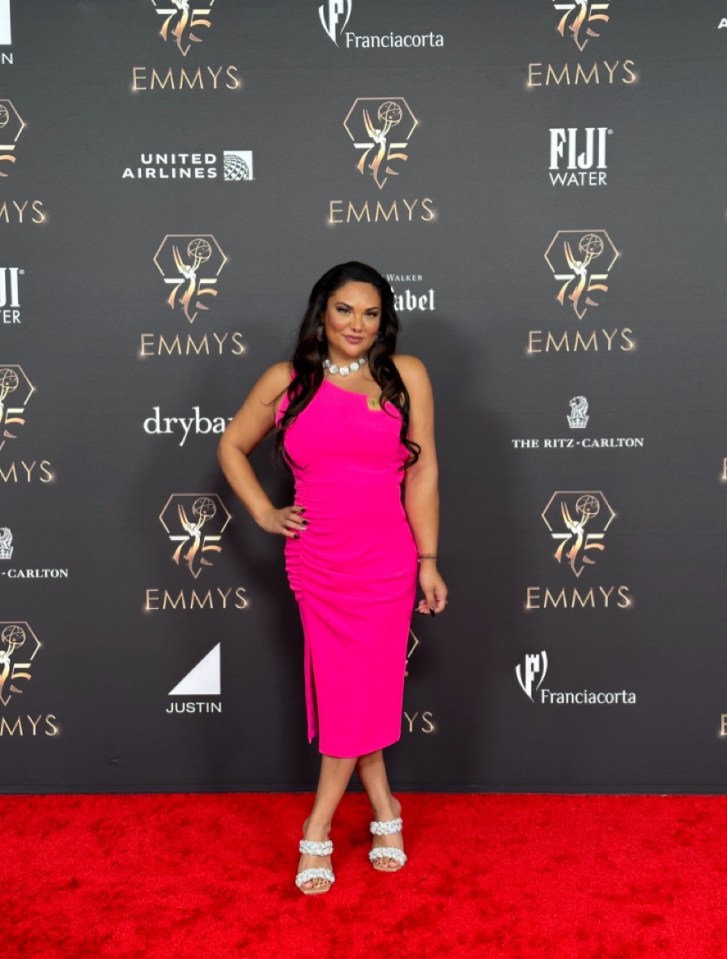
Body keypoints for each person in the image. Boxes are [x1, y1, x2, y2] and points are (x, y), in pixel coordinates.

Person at [217, 261, 447, 894]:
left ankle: (318, 827)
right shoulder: (286, 381)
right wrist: (265, 511)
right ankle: (387, 814)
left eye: (371, 313)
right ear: (322, 311)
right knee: (353, 693)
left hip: (386, 562)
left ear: (385, 320)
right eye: (345, 309)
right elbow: (231, 446)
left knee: (356, 693)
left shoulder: (407, 376)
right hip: (318, 564)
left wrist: (428, 560)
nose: (357, 324)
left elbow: (422, 472)